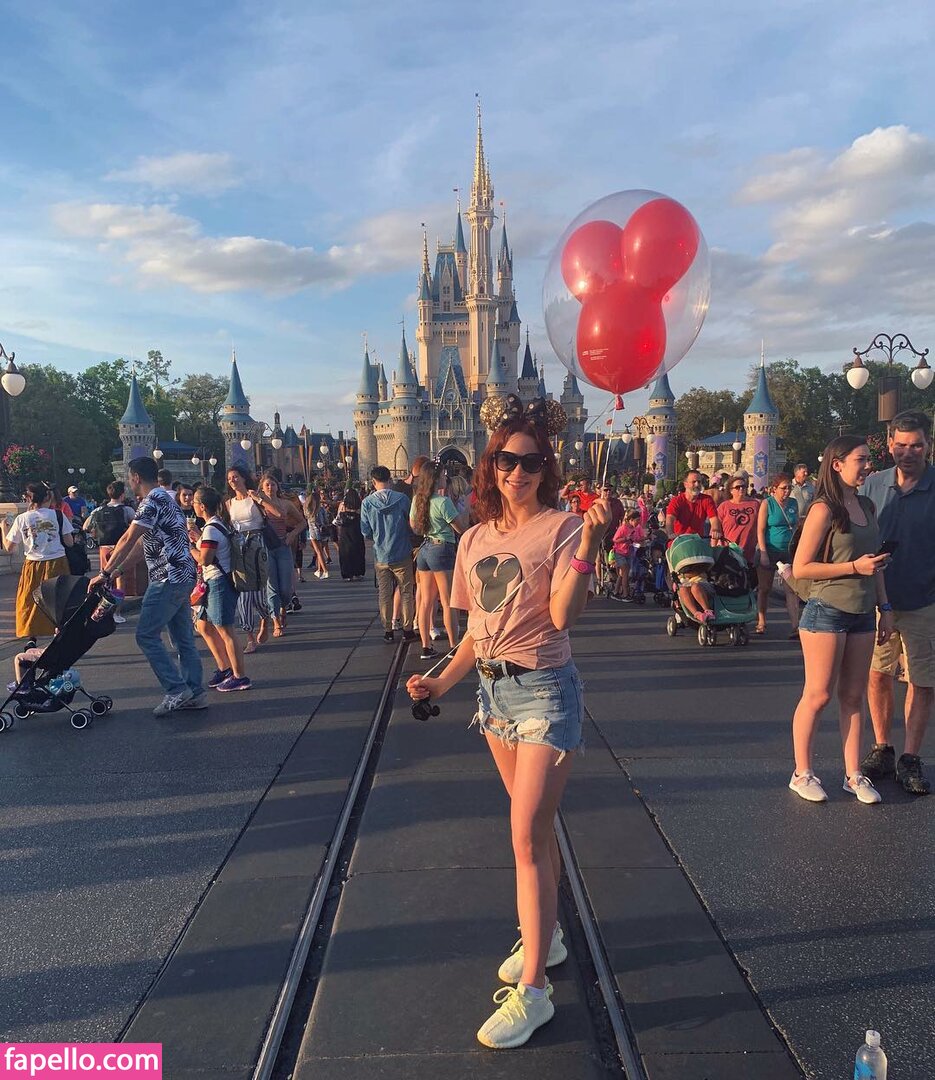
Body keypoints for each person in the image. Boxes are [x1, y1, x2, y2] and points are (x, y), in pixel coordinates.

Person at [407, 399, 609, 1049]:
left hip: (545, 692)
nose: (516, 472)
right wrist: (440, 681)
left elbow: (563, 617)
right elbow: (476, 632)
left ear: (546, 469)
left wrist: (589, 549)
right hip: (493, 697)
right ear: (489, 465)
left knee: (523, 837)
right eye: (505, 460)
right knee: (537, 834)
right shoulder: (472, 539)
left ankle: (535, 992)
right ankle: (547, 935)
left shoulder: (563, 529)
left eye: (530, 462)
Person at [788, 437, 892, 804]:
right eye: (860, 460)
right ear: (837, 464)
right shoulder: (823, 509)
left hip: (863, 612)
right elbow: (802, 567)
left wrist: (885, 607)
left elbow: (875, 563)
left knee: (853, 696)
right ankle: (802, 773)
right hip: (826, 610)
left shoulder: (866, 505)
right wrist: (853, 567)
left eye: (868, 459)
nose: (867, 466)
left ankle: (853, 774)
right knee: (818, 695)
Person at [89, 456, 205, 716]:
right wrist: (117, 570)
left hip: (166, 577)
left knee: (146, 635)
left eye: (129, 478)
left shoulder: (151, 502)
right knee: (183, 638)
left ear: (136, 477)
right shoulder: (167, 500)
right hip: (183, 575)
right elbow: (144, 545)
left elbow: (128, 539)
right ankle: (195, 692)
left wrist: (104, 572)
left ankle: (176, 689)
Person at [860, 409, 934, 795]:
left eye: (916, 445)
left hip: (925, 600)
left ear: (929, 445)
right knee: (878, 674)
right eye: (901, 445)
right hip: (878, 601)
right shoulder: (873, 485)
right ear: (889, 445)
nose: (908, 453)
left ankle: (910, 756)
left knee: (922, 681)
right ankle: (882, 748)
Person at [191, 486, 250, 692]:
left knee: (225, 630)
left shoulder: (211, 529)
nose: (192, 505)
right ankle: (225, 668)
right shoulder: (216, 525)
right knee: (203, 626)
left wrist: (190, 548)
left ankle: (240, 676)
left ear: (202, 506)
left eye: (195, 502)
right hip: (213, 582)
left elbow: (205, 559)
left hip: (218, 582)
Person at [410, 459, 469, 660]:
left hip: (424, 549)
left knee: (426, 601)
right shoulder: (443, 502)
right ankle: (453, 646)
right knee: (447, 600)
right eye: (443, 475)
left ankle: (426, 647)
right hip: (442, 548)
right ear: (436, 478)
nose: (446, 478)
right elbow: (460, 528)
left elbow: (414, 527)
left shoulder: (417, 500)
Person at [1, 481, 74, 642]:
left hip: (33, 564)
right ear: (47, 497)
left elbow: (9, 547)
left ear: (28, 498)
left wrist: (3, 528)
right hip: (57, 562)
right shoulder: (58, 515)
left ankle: (31, 637)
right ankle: (59, 634)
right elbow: (69, 542)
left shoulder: (22, 519)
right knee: (58, 600)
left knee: (30, 600)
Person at [226, 465, 281, 653]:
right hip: (239, 549)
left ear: (243, 478)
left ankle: (265, 617)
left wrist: (259, 499)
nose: (232, 481)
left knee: (258, 592)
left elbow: (277, 513)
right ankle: (250, 637)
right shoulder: (229, 503)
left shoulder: (255, 497)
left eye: (235, 477)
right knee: (243, 595)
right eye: (229, 479)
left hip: (258, 546)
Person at [360, 465, 417, 643]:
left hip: (381, 554)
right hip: (402, 551)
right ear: (390, 480)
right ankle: (407, 629)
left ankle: (388, 630)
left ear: (373, 482)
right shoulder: (402, 499)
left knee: (384, 593)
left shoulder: (367, 503)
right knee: (406, 591)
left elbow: (365, 531)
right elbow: (411, 523)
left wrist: (377, 537)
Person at [258, 472, 305, 637]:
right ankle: (276, 620)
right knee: (272, 586)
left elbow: (302, 522)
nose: (270, 487)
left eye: (273, 484)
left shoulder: (286, 504)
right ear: (262, 488)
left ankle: (283, 607)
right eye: (267, 485)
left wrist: (293, 534)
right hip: (265, 547)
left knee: (285, 588)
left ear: (277, 486)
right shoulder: (258, 504)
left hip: (283, 545)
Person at [755, 473, 800, 637]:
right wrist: (763, 553)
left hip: (787, 551)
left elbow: (796, 525)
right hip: (770, 549)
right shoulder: (767, 503)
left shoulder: (793, 503)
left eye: (789, 488)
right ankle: (761, 621)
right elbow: (760, 530)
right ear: (774, 489)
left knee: (791, 589)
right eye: (783, 488)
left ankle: (795, 626)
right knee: (765, 588)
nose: (787, 491)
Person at [716, 474, 760, 565]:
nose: (741, 489)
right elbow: (716, 528)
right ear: (731, 490)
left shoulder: (755, 504)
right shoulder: (724, 506)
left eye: (743, 486)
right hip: (729, 552)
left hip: (750, 553)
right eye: (737, 487)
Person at [665, 471, 721, 540]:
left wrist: (715, 530)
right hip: (679, 541)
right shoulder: (676, 501)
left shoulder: (707, 499)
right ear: (685, 484)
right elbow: (670, 519)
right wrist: (670, 533)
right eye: (694, 482)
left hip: (697, 541)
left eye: (699, 482)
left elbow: (714, 518)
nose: (697, 484)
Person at [611, 509, 645, 602]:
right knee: (625, 571)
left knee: (622, 574)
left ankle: (616, 591)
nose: (638, 522)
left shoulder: (634, 529)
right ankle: (625, 594)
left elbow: (635, 539)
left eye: (639, 520)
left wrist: (645, 538)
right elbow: (615, 539)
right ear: (631, 520)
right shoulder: (622, 528)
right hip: (619, 552)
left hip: (628, 552)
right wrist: (625, 538)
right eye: (637, 520)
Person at [333, 487, 366, 580]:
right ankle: (358, 572)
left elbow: (337, 520)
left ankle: (347, 574)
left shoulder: (343, 505)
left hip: (345, 532)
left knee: (346, 553)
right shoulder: (360, 505)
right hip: (357, 531)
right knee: (358, 552)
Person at [303, 489, 331, 579]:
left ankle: (325, 571)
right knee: (320, 551)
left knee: (318, 551)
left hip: (313, 532)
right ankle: (319, 570)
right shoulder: (321, 509)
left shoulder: (308, 510)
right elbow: (326, 520)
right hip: (322, 531)